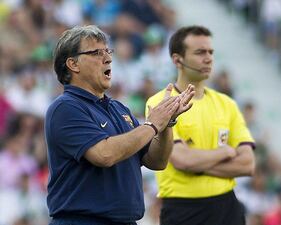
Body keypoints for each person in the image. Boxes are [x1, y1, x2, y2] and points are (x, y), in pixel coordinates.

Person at [45, 25, 194, 225]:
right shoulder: (65, 107)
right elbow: (104, 155)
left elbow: (156, 161)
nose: (107, 58)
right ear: (73, 64)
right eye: (96, 53)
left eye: (108, 51)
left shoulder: (118, 108)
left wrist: (167, 122)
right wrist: (152, 124)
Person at [146, 25, 256, 225]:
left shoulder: (227, 103)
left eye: (211, 52)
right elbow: (183, 160)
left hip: (227, 207)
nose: (208, 58)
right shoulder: (160, 102)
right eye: (200, 52)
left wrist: (198, 165)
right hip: (184, 210)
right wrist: (226, 152)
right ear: (177, 59)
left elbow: (248, 164)